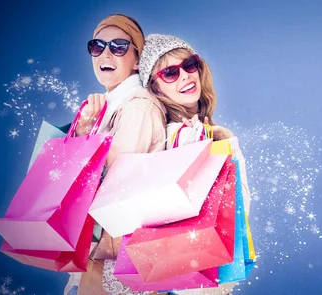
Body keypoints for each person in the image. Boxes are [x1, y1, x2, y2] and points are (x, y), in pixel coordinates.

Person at [139, 33, 253, 295]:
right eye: (170, 73)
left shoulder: (213, 132)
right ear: (156, 88)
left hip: (203, 272)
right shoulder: (173, 136)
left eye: (189, 65)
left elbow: (239, 204)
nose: (185, 76)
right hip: (185, 276)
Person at [64, 14, 167, 295]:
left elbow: (112, 190)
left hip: (118, 257)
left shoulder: (137, 108)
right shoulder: (109, 106)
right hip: (104, 249)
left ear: (137, 60)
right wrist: (86, 125)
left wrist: (85, 132)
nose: (106, 53)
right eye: (97, 46)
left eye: (119, 46)